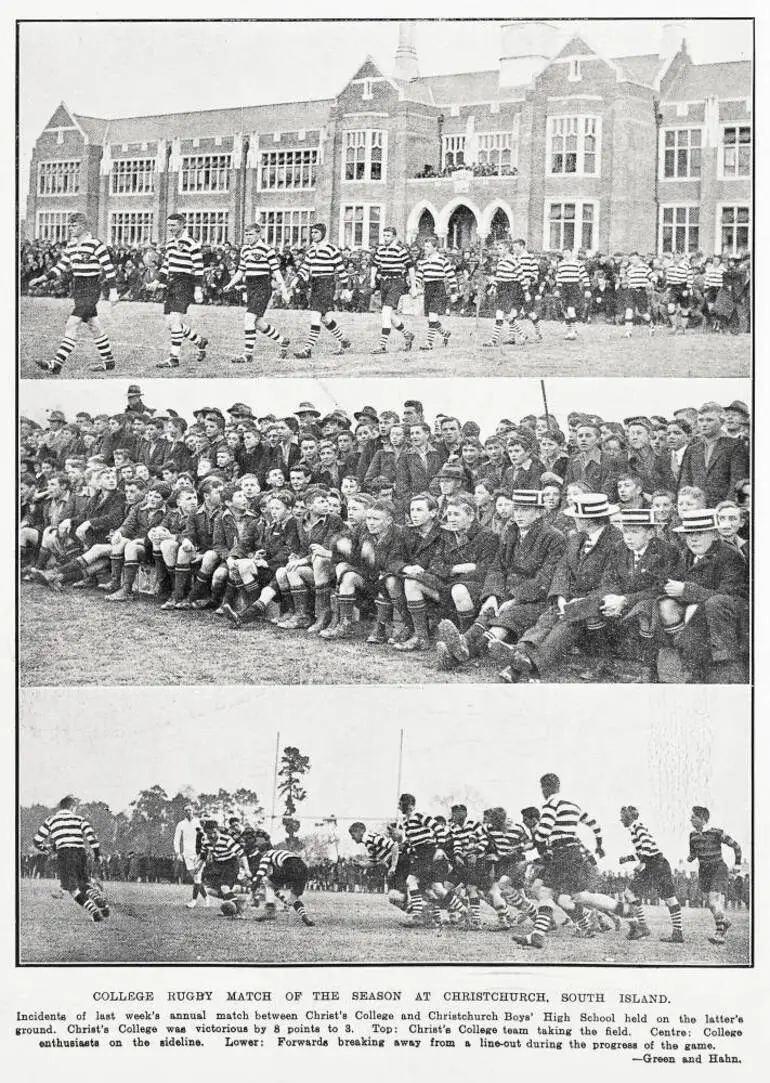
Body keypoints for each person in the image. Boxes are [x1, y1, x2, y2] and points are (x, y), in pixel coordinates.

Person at [435, 489, 565, 672]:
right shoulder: (511, 532)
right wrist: (493, 595)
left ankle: (461, 652)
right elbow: (497, 568)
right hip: (507, 592)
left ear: (539, 512)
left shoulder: (554, 537)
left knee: (504, 619)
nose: (519, 514)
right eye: (517, 509)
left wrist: (515, 599)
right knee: (489, 610)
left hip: (535, 599)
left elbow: (546, 578)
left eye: (526, 510)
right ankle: (462, 645)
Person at [502, 493, 621, 682]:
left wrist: (580, 601)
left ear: (588, 520)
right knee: (546, 619)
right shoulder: (577, 538)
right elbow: (562, 570)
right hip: (570, 597)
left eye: (576, 516)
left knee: (567, 622)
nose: (573, 519)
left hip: (597, 600)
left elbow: (612, 583)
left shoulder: (616, 541)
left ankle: (527, 665)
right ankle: (520, 655)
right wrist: (561, 596)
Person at [511, 774, 617, 949]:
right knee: (566, 897)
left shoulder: (551, 804)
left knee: (549, 893)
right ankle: (616, 916)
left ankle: (541, 933)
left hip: (561, 855)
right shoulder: (572, 805)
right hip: (569, 855)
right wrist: (599, 845)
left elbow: (543, 833)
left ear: (544, 788)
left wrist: (534, 848)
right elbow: (595, 825)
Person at [655, 508, 748, 683]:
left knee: (714, 604)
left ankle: (722, 665)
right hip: (701, 607)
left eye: (700, 534)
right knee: (664, 604)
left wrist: (687, 591)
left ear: (715, 535)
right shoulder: (687, 554)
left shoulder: (730, 556)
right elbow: (668, 578)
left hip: (729, 613)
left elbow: (729, 595)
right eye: (689, 534)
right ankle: (687, 660)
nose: (693, 539)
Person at [29, 213, 119, 375]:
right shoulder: (71, 246)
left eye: (74, 225)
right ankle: (109, 361)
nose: (70, 228)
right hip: (78, 289)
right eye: (69, 225)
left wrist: (113, 292)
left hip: (91, 288)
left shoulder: (96, 244)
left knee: (71, 324)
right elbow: (60, 267)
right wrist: (41, 279)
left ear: (83, 226)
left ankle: (56, 364)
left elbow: (109, 268)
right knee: (94, 325)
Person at [33, 795, 109, 923]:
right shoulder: (79, 819)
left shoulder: (51, 820)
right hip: (80, 853)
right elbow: (91, 838)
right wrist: (97, 854)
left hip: (64, 854)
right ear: (71, 807)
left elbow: (37, 840)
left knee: (72, 889)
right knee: (83, 882)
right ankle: (96, 897)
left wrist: (46, 849)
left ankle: (95, 912)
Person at [223, 222, 291, 363]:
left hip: (263, 287)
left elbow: (276, 272)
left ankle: (248, 354)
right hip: (250, 287)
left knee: (249, 318)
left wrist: (284, 291)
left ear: (259, 234)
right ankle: (282, 341)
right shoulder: (245, 250)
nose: (248, 237)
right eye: (246, 234)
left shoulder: (267, 249)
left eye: (251, 234)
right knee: (258, 322)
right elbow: (241, 270)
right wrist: (231, 283)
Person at [150, 213, 208, 370]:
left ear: (182, 225)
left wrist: (197, 289)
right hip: (171, 283)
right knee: (170, 323)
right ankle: (199, 341)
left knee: (175, 320)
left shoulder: (191, 243)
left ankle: (174, 358)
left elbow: (199, 267)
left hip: (185, 283)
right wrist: (157, 280)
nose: (170, 228)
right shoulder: (170, 243)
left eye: (173, 225)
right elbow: (167, 264)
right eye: (168, 225)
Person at [618, 806, 683, 943]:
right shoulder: (636, 829)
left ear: (629, 817)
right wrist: (628, 858)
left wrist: (643, 862)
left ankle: (642, 927)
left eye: (622, 816)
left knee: (630, 894)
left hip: (654, 864)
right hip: (660, 863)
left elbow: (646, 845)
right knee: (670, 898)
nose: (620, 819)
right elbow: (645, 849)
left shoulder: (638, 827)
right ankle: (678, 933)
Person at [290, 223, 351, 359]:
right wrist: (295, 280)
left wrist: (345, 289)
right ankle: (343, 340)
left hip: (327, 284)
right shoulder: (311, 250)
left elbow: (341, 270)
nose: (313, 235)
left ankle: (307, 349)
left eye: (316, 232)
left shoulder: (331, 249)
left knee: (315, 316)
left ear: (323, 234)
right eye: (312, 233)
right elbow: (305, 266)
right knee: (326, 319)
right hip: (316, 284)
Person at [688, 806, 742, 945]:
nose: (691, 819)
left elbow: (736, 846)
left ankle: (719, 934)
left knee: (713, 901)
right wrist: (691, 857)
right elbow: (694, 852)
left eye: (693, 817)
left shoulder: (716, 833)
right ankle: (725, 921)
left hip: (718, 868)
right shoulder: (692, 836)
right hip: (704, 871)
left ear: (702, 819)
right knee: (711, 905)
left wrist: (737, 865)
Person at [370, 226, 417, 353]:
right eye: (384, 235)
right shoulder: (381, 249)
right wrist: (372, 279)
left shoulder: (400, 250)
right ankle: (407, 334)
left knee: (385, 312)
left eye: (388, 236)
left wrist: (413, 286)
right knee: (389, 314)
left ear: (394, 237)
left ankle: (382, 345)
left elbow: (411, 267)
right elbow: (374, 265)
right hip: (384, 282)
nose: (385, 238)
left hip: (396, 282)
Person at [250, 833, 315, 926]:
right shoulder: (280, 853)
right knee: (293, 898)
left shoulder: (266, 855)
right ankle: (305, 916)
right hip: (303, 867)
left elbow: (261, 872)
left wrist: (254, 884)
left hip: (290, 866)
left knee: (267, 883)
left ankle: (270, 911)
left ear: (263, 851)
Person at [415, 235, 459, 350]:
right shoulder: (423, 262)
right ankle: (445, 333)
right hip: (428, 289)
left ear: (435, 248)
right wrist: (414, 287)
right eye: (425, 247)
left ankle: (429, 343)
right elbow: (418, 277)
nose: (426, 249)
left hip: (438, 289)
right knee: (430, 318)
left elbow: (451, 277)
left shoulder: (442, 261)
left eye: (428, 246)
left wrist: (454, 293)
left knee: (433, 316)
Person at [173, 803, 209, 909]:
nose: (188, 812)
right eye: (186, 810)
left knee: (197, 877)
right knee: (196, 878)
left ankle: (193, 901)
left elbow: (205, 837)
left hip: (198, 853)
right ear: (184, 812)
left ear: (193, 811)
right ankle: (206, 898)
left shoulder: (199, 822)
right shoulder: (181, 824)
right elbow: (176, 839)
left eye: (189, 810)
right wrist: (178, 853)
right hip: (187, 854)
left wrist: (206, 851)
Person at [554, 248, 591, 340]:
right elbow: (559, 278)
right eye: (564, 253)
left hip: (574, 288)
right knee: (565, 311)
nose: (565, 255)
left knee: (571, 310)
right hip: (564, 288)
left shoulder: (578, 263)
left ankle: (574, 331)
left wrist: (587, 289)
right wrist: (558, 289)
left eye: (567, 253)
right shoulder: (561, 264)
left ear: (571, 253)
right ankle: (569, 331)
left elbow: (585, 277)